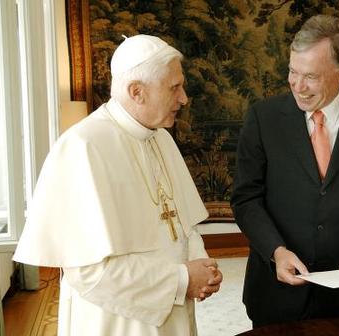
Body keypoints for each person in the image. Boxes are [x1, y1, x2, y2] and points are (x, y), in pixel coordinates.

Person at [13, 35, 223, 335]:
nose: (184, 98)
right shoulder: (82, 148)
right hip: (117, 322)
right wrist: (182, 280)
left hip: (174, 309)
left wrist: (201, 265)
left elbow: (183, 223)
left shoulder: (160, 137)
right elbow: (89, 273)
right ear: (137, 92)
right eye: (174, 87)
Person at [231, 14, 339, 327]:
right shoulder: (262, 118)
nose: (298, 85)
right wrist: (276, 251)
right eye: (292, 72)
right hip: (274, 291)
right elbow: (246, 198)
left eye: (310, 76)